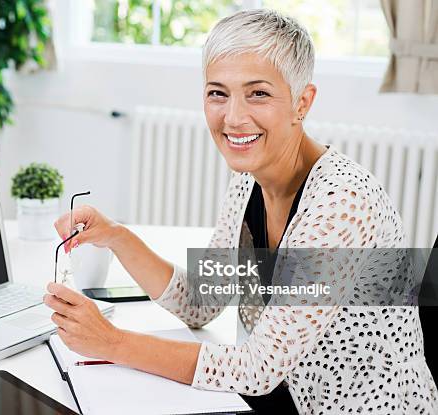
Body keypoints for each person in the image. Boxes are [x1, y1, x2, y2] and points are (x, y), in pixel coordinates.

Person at [43, 9, 437, 414]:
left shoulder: (341, 205)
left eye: (258, 93)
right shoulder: (249, 180)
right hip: (284, 398)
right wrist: (115, 236)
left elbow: (258, 367)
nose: (232, 118)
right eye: (218, 93)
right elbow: (200, 301)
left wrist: (112, 342)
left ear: (303, 102)